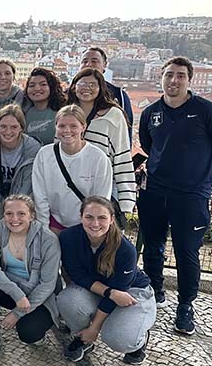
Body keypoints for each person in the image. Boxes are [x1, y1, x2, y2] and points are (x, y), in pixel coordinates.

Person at [138, 56, 212, 335]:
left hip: (191, 196)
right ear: (162, 78)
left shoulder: (205, 111)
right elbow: (147, 144)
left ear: (189, 80)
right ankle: (154, 291)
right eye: (169, 75)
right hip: (155, 191)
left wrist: (196, 170)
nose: (174, 80)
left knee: (186, 252)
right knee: (152, 247)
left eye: (180, 75)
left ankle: (185, 306)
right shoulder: (151, 113)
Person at [57, 196, 156, 364]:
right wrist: (108, 292)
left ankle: (138, 341)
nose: (95, 223)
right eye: (89, 217)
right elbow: (78, 276)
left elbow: (120, 290)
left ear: (111, 219)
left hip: (130, 292)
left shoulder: (125, 249)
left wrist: (95, 327)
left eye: (102, 217)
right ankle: (84, 338)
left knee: (119, 338)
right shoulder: (68, 238)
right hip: (102, 290)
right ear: (81, 217)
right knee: (68, 299)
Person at [0, 194, 60, 358]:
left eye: (21, 213)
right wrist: (17, 295)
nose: (15, 219)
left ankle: (39, 326)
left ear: (32, 215)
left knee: (29, 334)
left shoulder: (48, 239)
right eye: (9, 213)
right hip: (14, 290)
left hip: (40, 294)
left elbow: (48, 284)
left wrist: (17, 313)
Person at [67, 67, 135, 221]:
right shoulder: (66, 113)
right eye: (82, 84)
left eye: (92, 85)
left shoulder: (113, 115)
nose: (87, 88)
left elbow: (122, 157)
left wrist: (125, 202)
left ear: (101, 88)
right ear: (74, 87)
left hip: (103, 185)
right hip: (71, 187)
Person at [32, 105, 113, 233]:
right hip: (54, 222)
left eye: (73, 126)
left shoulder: (98, 158)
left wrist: (90, 228)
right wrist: (44, 229)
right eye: (62, 126)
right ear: (56, 127)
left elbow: (101, 200)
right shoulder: (44, 155)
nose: (67, 130)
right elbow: (40, 196)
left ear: (83, 127)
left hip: (86, 225)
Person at [0, 105, 40, 222]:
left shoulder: (32, 149)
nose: (8, 131)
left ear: (21, 128)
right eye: (3, 126)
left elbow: (27, 187)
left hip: (22, 210)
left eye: (14, 127)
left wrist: (13, 213)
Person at [80, 47, 133, 139]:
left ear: (104, 65)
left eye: (94, 61)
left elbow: (125, 132)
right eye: (84, 61)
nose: (88, 64)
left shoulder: (119, 95)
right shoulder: (68, 94)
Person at [21, 67, 66, 146]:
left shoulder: (62, 112)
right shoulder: (23, 113)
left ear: (51, 87)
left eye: (43, 84)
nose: (37, 88)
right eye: (32, 85)